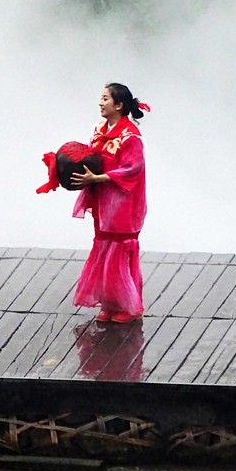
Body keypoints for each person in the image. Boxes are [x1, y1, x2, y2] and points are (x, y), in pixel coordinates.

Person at [69, 83, 150, 323]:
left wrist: (100, 178)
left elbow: (133, 168)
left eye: (105, 99)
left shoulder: (130, 135)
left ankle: (128, 306)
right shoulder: (98, 130)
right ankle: (110, 303)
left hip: (125, 201)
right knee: (104, 247)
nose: (101, 103)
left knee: (121, 249)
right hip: (103, 199)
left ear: (119, 105)